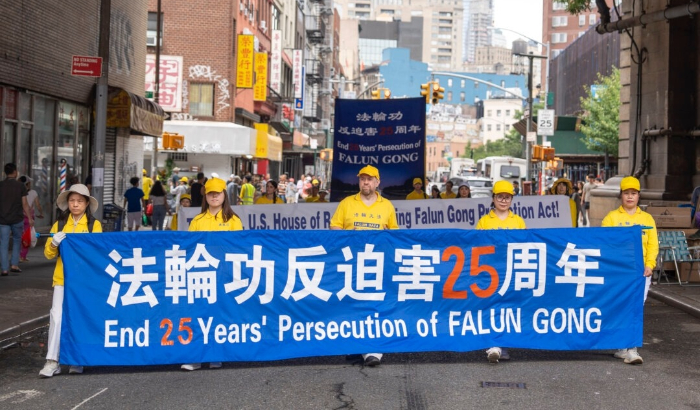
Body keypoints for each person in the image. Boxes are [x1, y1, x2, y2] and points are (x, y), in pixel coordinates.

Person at [330, 165, 398, 367]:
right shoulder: (346, 203)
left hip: (377, 265)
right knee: (352, 304)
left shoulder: (387, 206)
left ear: (378, 182)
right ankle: (356, 345)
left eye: (369, 179)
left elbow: (395, 234)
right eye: (362, 179)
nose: (365, 182)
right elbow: (334, 226)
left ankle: (373, 347)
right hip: (352, 264)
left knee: (375, 304)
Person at [39, 184, 102, 377]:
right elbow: (48, 254)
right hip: (62, 279)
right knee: (57, 317)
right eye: (72, 201)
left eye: (79, 201)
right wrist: (54, 243)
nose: (75, 204)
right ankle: (52, 361)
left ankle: (77, 359)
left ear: (86, 204)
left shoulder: (94, 225)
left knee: (80, 318)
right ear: (67, 203)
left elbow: (97, 253)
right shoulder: (59, 224)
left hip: (84, 282)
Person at [183, 177, 243, 371]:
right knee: (198, 315)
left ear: (225, 195)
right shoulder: (197, 221)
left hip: (224, 276)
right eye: (211, 193)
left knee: (220, 315)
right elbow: (189, 248)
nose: (214, 196)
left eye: (218, 192)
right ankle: (197, 357)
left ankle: (217, 354)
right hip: (200, 275)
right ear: (205, 196)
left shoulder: (233, 221)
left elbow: (238, 249)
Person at [601, 176, 657, 365]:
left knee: (635, 308)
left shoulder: (647, 219)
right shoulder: (611, 218)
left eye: (634, 193)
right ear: (621, 196)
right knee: (619, 307)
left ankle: (631, 348)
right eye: (627, 193)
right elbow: (604, 244)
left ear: (638, 196)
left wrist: (650, 264)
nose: (630, 197)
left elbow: (652, 245)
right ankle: (621, 347)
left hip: (640, 272)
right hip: (618, 273)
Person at [476, 180, 526, 364]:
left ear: (512, 199)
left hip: (511, 272)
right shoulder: (484, 221)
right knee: (491, 307)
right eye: (500, 197)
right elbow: (477, 246)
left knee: (508, 308)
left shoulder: (518, 221)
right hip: (490, 272)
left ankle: (503, 344)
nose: (503, 201)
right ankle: (492, 344)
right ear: (493, 198)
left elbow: (526, 245)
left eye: (507, 197)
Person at [0, 163, 34, 276]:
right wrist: (29, 218)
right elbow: (25, 204)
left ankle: (4, 269)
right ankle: (14, 265)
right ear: (15, 172)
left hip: (3, 219)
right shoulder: (20, 186)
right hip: (17, 219)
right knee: (16, 241)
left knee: (3, 244)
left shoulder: (1, 185)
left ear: (5, 172)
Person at [18, 175, 44, 262]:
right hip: (28, 217)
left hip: (17, 216)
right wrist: (41, 213)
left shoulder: (17, 191)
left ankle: (17, 256)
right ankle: (22, 256)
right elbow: (38, 205)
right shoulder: (33, 192)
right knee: (26, 236)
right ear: (28, 184)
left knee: (18, 236)